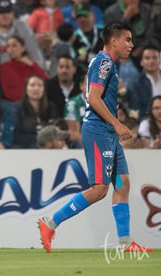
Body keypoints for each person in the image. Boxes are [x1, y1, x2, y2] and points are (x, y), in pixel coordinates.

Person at [38, 21, 154, 253]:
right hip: (100, 131)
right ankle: (50, 223)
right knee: (100, 189)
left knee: (122, 182)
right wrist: (117, 123)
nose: (132, 45)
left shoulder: (106, 62)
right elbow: (93, 98)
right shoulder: (103, 62)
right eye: (127, 40)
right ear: (114, 41)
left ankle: (124, 242)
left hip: (107, 132)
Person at [12, 75, 58, 148]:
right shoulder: (17, 108)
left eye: (40, 86)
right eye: (32, 85)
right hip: (25, 146)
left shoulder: (51, 107)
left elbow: (54, 129)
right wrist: (41, 141)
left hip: (49, 146)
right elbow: (17, 134)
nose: (36, 88)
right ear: (26, 89)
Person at [0, 36, 48, 103]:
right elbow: (7, 92)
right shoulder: (3, 67)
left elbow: (46, 81)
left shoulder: (31, 65)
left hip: (34, 102)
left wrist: (32, 65)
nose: (10, 49)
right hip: (16, 103)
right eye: (8, 46)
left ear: (23, 48)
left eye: (14, 45)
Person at [127, 45, 161, 121]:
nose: (151, 61)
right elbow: (135, 110)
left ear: (160, 61)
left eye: (155, 58)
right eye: (147, 58)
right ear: (141, 62)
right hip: (147, 124)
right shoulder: (135, 83)